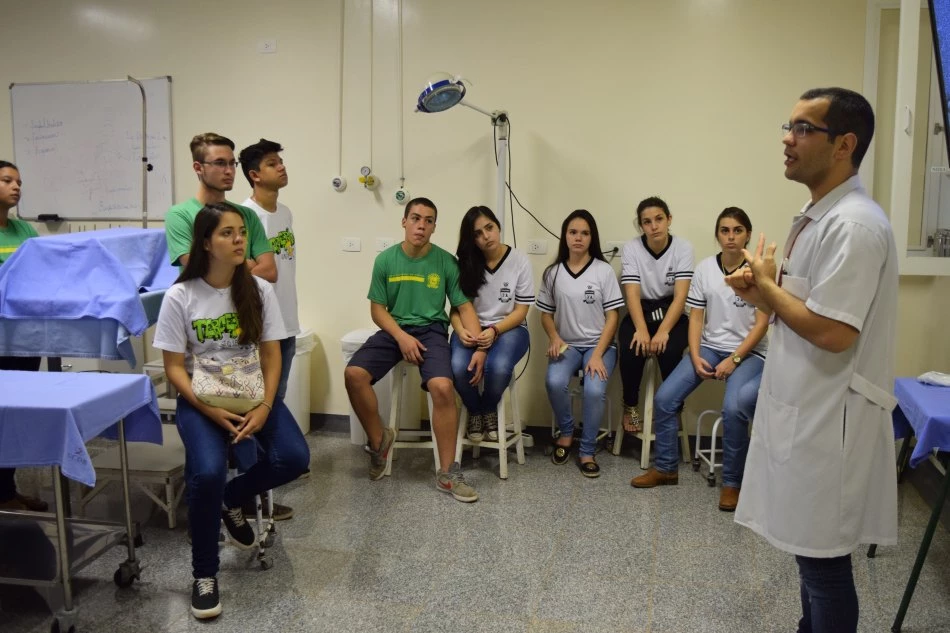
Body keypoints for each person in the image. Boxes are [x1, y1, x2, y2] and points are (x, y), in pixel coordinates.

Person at [725, 87, 898, 633]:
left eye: (803, 129)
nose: (787, 139)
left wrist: (768, 288)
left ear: (844, 144)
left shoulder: (855, 226)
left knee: (824, 566)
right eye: (789, 125)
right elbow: (804, 309)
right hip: (807, 409)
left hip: (831, 421)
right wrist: (764, 293)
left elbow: (833, 331)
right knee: (809, 556)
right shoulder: (819, 216)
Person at [153, 204, 310, 620]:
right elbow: (174, 368)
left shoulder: (258, 290)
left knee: (294, 457)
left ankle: (232, 498)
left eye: (241, 231)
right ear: (206, 243)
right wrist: (209, 410)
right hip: (201, 400)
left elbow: (272, 355)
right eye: (227, 233)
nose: (240, 240)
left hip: (252, 393)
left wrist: (265, 405)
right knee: (206, 473)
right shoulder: (180, 296)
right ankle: (205, 575)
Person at [165, 132, 296, 521]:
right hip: (206, 350)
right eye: (219, 163)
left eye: (231, 163)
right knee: (206, 449)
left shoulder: (247, 215)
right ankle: (203, 512)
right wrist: (237, 266)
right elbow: (199, 271)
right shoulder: (181, 216)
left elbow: (267, 269)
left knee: (260, 421)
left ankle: (242, 499)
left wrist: (235, 265)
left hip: (252, 338)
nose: (228, 170)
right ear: (198, 167)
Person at [343, 197, 482, 502]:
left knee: (443, 387)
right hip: (393, 329)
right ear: (404, 222)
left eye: (428, 221)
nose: (421, 225)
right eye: (416, 218)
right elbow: (378, 310)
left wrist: (480, 347)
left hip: (432, 331)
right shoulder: (386, 260)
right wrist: (401, 337)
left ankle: (447, 473)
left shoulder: (445, 262)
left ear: (434, 227)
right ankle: (379, 441)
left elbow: (463, 306)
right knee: (354, 374)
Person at [631, 207, 768, 513]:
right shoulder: (706, 269)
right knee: (665, 398)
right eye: (724, 230)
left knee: (733, 408)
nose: (731, 237)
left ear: (747, 234)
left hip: (750, 353)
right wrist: (694, 355)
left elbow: (761, 325)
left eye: (737, 230)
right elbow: (695, 318)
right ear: (717, 235)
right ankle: (666, 468)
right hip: (710, 347)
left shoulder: (758, 271)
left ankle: (732, 482)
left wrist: (734, 359)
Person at [537, 209, 623, 478]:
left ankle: (587, 450)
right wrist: (554, 337)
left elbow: (613, 316)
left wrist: (597, 355)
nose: (578, 238)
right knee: (553, 381)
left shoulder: (603, 271)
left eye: (585, 233)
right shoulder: (552, 273)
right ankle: (566, 433)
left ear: (591, 237)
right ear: (565, 236)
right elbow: (545, 314)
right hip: (568, 345)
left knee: (594, 391)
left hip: (601, 345)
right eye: (573, 232)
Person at [450, 206, 534, 442]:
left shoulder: (519, 261)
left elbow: (521, 311)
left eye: (489, 228)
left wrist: (493, 333)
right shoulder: (465, 263)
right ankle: (474, 411)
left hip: (509, 328)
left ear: (498, 226)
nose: (486, 236)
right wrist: (459, 330)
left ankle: (488, 408)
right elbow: (456, 311)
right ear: (472, 239)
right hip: (471, 328)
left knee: (497, 367)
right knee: (459, 368)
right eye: (478, 233)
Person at [617, 197, 694, 434]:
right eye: (647, 222)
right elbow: (632, 294)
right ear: (641, 226)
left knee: (670, 350)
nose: (654, 226)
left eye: (659, 219)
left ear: (669, 219)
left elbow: (681, 296)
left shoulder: (683, 248)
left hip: (672, 312)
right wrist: (641, 329)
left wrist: (663, 332)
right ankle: (630, 406)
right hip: (641, 310)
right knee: (631, 347)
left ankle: (673, 408)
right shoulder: (631, 248)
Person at [0, 159, 48, 513]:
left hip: (25, 336)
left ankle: (7, 491)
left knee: (15, 416)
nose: (16, 187)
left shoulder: (25, 231)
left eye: (18, 181)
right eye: (6, 180)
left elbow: (42, 272)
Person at [238, 139, 299, 405]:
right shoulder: (244, 215)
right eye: (272, 164)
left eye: (281, 162)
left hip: (287, 316)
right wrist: (256, 266)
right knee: (256, 397)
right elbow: (239, 266)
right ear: (255, 175)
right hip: (259, 322)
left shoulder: (285, 213)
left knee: (277, 396)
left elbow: (271, 267)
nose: (281, 167)